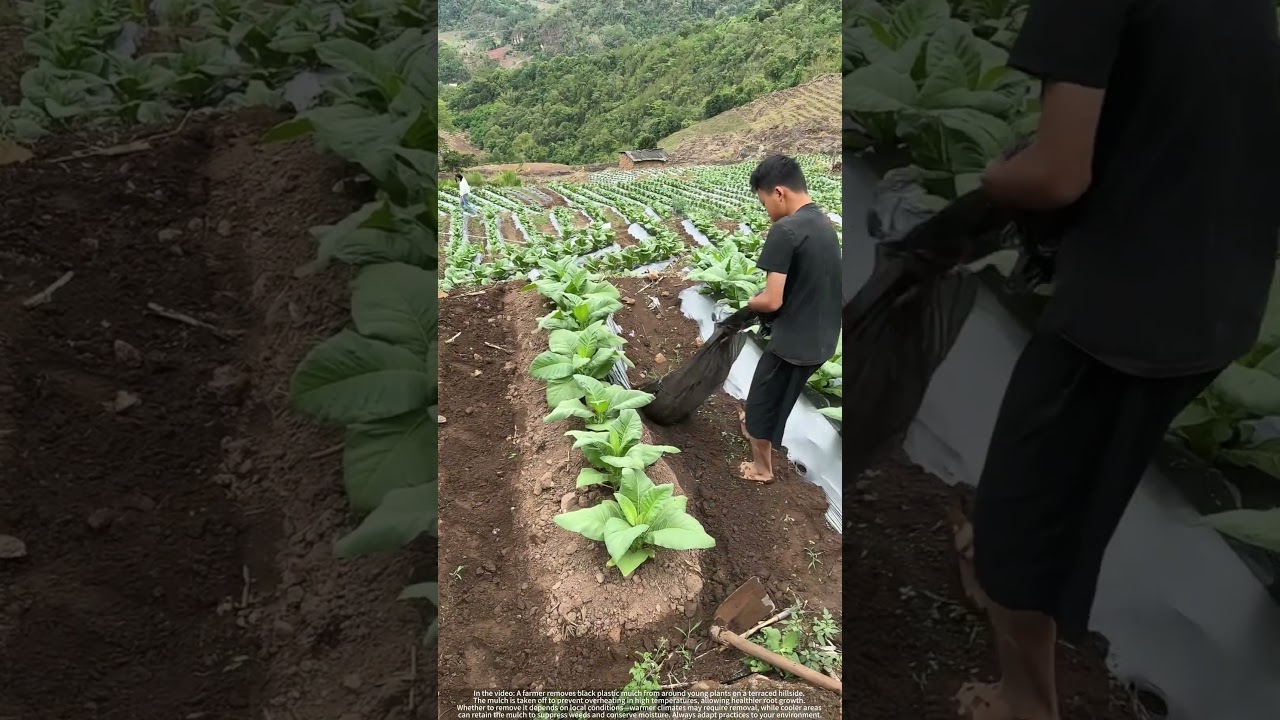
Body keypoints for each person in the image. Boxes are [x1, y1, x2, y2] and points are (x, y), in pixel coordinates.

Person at [958, 0, 1280, 718]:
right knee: (1071, 482)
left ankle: (1023, 699)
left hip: (1126, 316)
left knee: (1026, 509)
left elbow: (1056, 176)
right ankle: (1023, 564)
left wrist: (997, 178)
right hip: (1222, 296)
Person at [735, 155, 841, 484]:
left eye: (763, 200)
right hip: (822, 337)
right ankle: (761, 429)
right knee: (777, 397)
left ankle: (762, 469)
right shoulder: (822, 221)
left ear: (778, 192)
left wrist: (749, 304)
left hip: (793, 344)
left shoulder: (786, 230)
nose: (766, 209)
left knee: (761, 405)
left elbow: (771, 299)